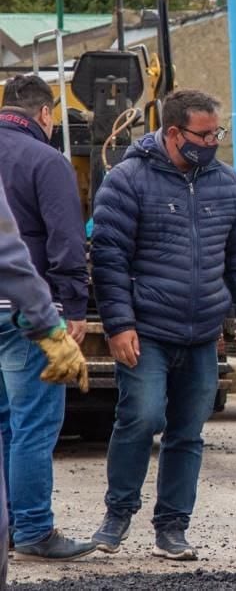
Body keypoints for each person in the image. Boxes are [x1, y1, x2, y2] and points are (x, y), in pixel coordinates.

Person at [89, 89, 236, 561]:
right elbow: (108, 259)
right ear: (172, 132)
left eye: (217, 133)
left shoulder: (226, 183)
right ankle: (117, 514)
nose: (212, 143)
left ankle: (172, 527)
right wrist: (119, 324)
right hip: (147, 333)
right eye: (203, 135)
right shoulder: (127, 181)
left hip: (203, 333)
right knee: (140, 419)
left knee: (188, 432)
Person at [0, 75, 95, 561]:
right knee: (34, 424)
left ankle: (9, 527)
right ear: (44, 114)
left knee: (3, 424)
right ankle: (34, 530)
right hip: (25, 313)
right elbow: (66, 240)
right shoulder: (46, 160)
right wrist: (72, 308)